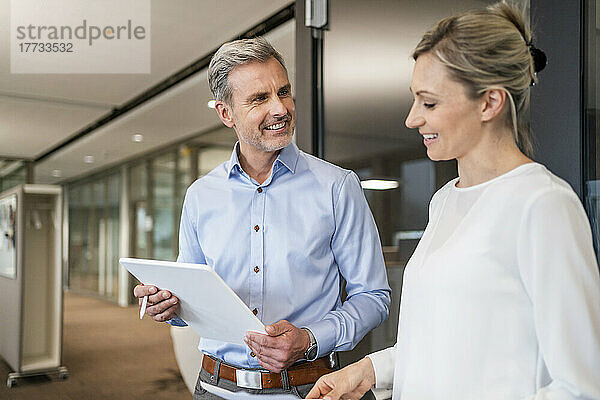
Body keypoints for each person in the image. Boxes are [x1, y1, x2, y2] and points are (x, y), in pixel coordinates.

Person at [307, 3, 600, 400]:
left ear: (490, 102)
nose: (412, 119)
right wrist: (369, 369)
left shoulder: (542, 205)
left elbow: (581, 386)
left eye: (429, 103)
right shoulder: (444, 201)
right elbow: (442, 345)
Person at [133, 37, 391, 399]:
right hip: (214, 388)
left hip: (308, 389)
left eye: (284, 92)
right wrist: (171, 305)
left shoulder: (337, 187)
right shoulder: (200, 196)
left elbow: (373, 296)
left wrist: (310, 339)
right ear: (226, 114)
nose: (281, 109)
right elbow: (190, 297)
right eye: (259, 99)